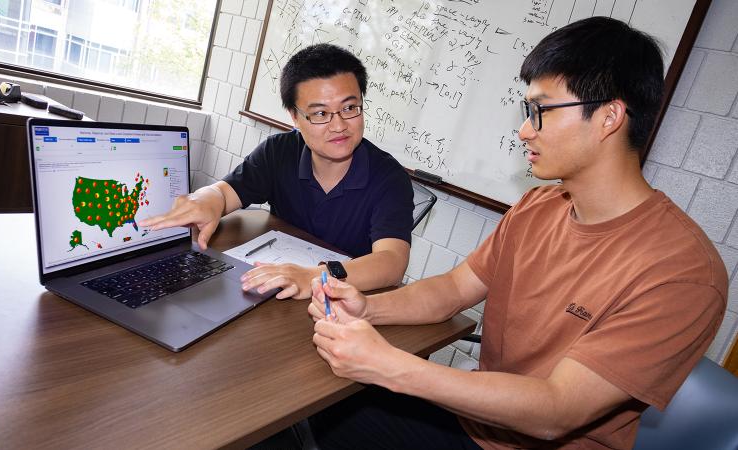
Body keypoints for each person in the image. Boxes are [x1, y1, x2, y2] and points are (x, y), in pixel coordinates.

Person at [306, 17, 728, 450]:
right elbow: (453, 289)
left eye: (540, 111)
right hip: (477, 423)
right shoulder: (537, 207)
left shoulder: (683, 271)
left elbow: (557, 410)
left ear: (608, 117)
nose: (525, 129)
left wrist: (388, 366)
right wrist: (367, 310)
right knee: (313, 410)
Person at [141, 44, 414, 300]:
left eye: (349, 108)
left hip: (344, 305)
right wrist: (207, 199)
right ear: (294, 117)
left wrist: (314, 277)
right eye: (320, 114)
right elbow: (224, 193)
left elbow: (392, 263)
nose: (339, 125)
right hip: (279, 295)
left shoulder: (389, 178)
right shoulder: (279, 151)